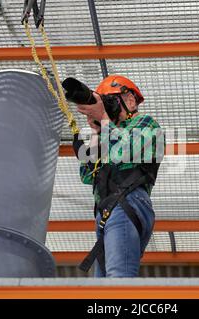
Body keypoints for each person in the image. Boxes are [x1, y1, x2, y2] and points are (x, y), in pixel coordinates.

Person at [76, 75, 164, 277]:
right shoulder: (107, 131)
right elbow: (87, 175)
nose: (106, 109)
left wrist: (105, 120)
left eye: (109, 102)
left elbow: (122, 152)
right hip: (107, 210)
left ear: (130, 100)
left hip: (128, 202)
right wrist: (97, 132)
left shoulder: (146, 124)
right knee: (103, 288)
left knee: (118, 278)